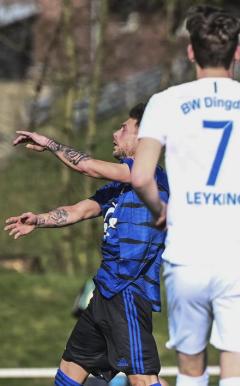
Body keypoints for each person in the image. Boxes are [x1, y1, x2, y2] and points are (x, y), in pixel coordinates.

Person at [130, 5, 240, 386]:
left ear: (191, 51)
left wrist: (162, 208)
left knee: (191, 370)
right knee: (238, 372)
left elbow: (140, 177)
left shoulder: (164, 103)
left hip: (186, 258)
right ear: (237, 52)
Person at [4, 104, 169, 386]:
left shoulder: (149, 176)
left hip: (127, 292)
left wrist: (49, 143)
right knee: (69, 370)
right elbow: (79, 211)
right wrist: (38, 220)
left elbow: (88, 167)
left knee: (143, 380)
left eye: (124, 129)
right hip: (105, 292)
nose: (115, 134)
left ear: (144, 138)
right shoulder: (120, 186)